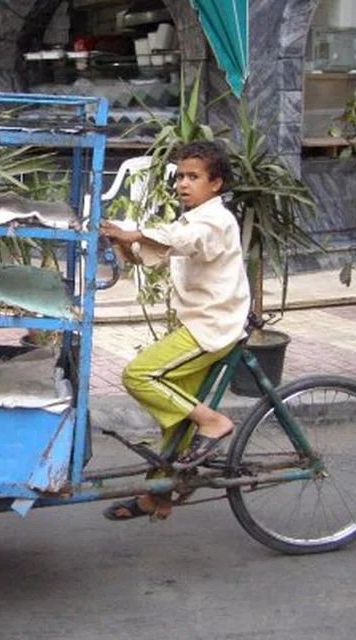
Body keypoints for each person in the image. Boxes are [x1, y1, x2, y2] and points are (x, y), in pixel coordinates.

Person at [99, 140, 251, 520]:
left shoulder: (216, 221)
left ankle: (214, 423)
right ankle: (159, 496)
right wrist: (123, 242)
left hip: (212, 327)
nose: (183, 183)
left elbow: (183, 241)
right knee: (178, 417)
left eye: (193, 177)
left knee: (139, 374)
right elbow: (158, 253)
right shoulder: (192, 218)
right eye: (180, 176)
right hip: (200, 323)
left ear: (215, 183)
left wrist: (135, 234)